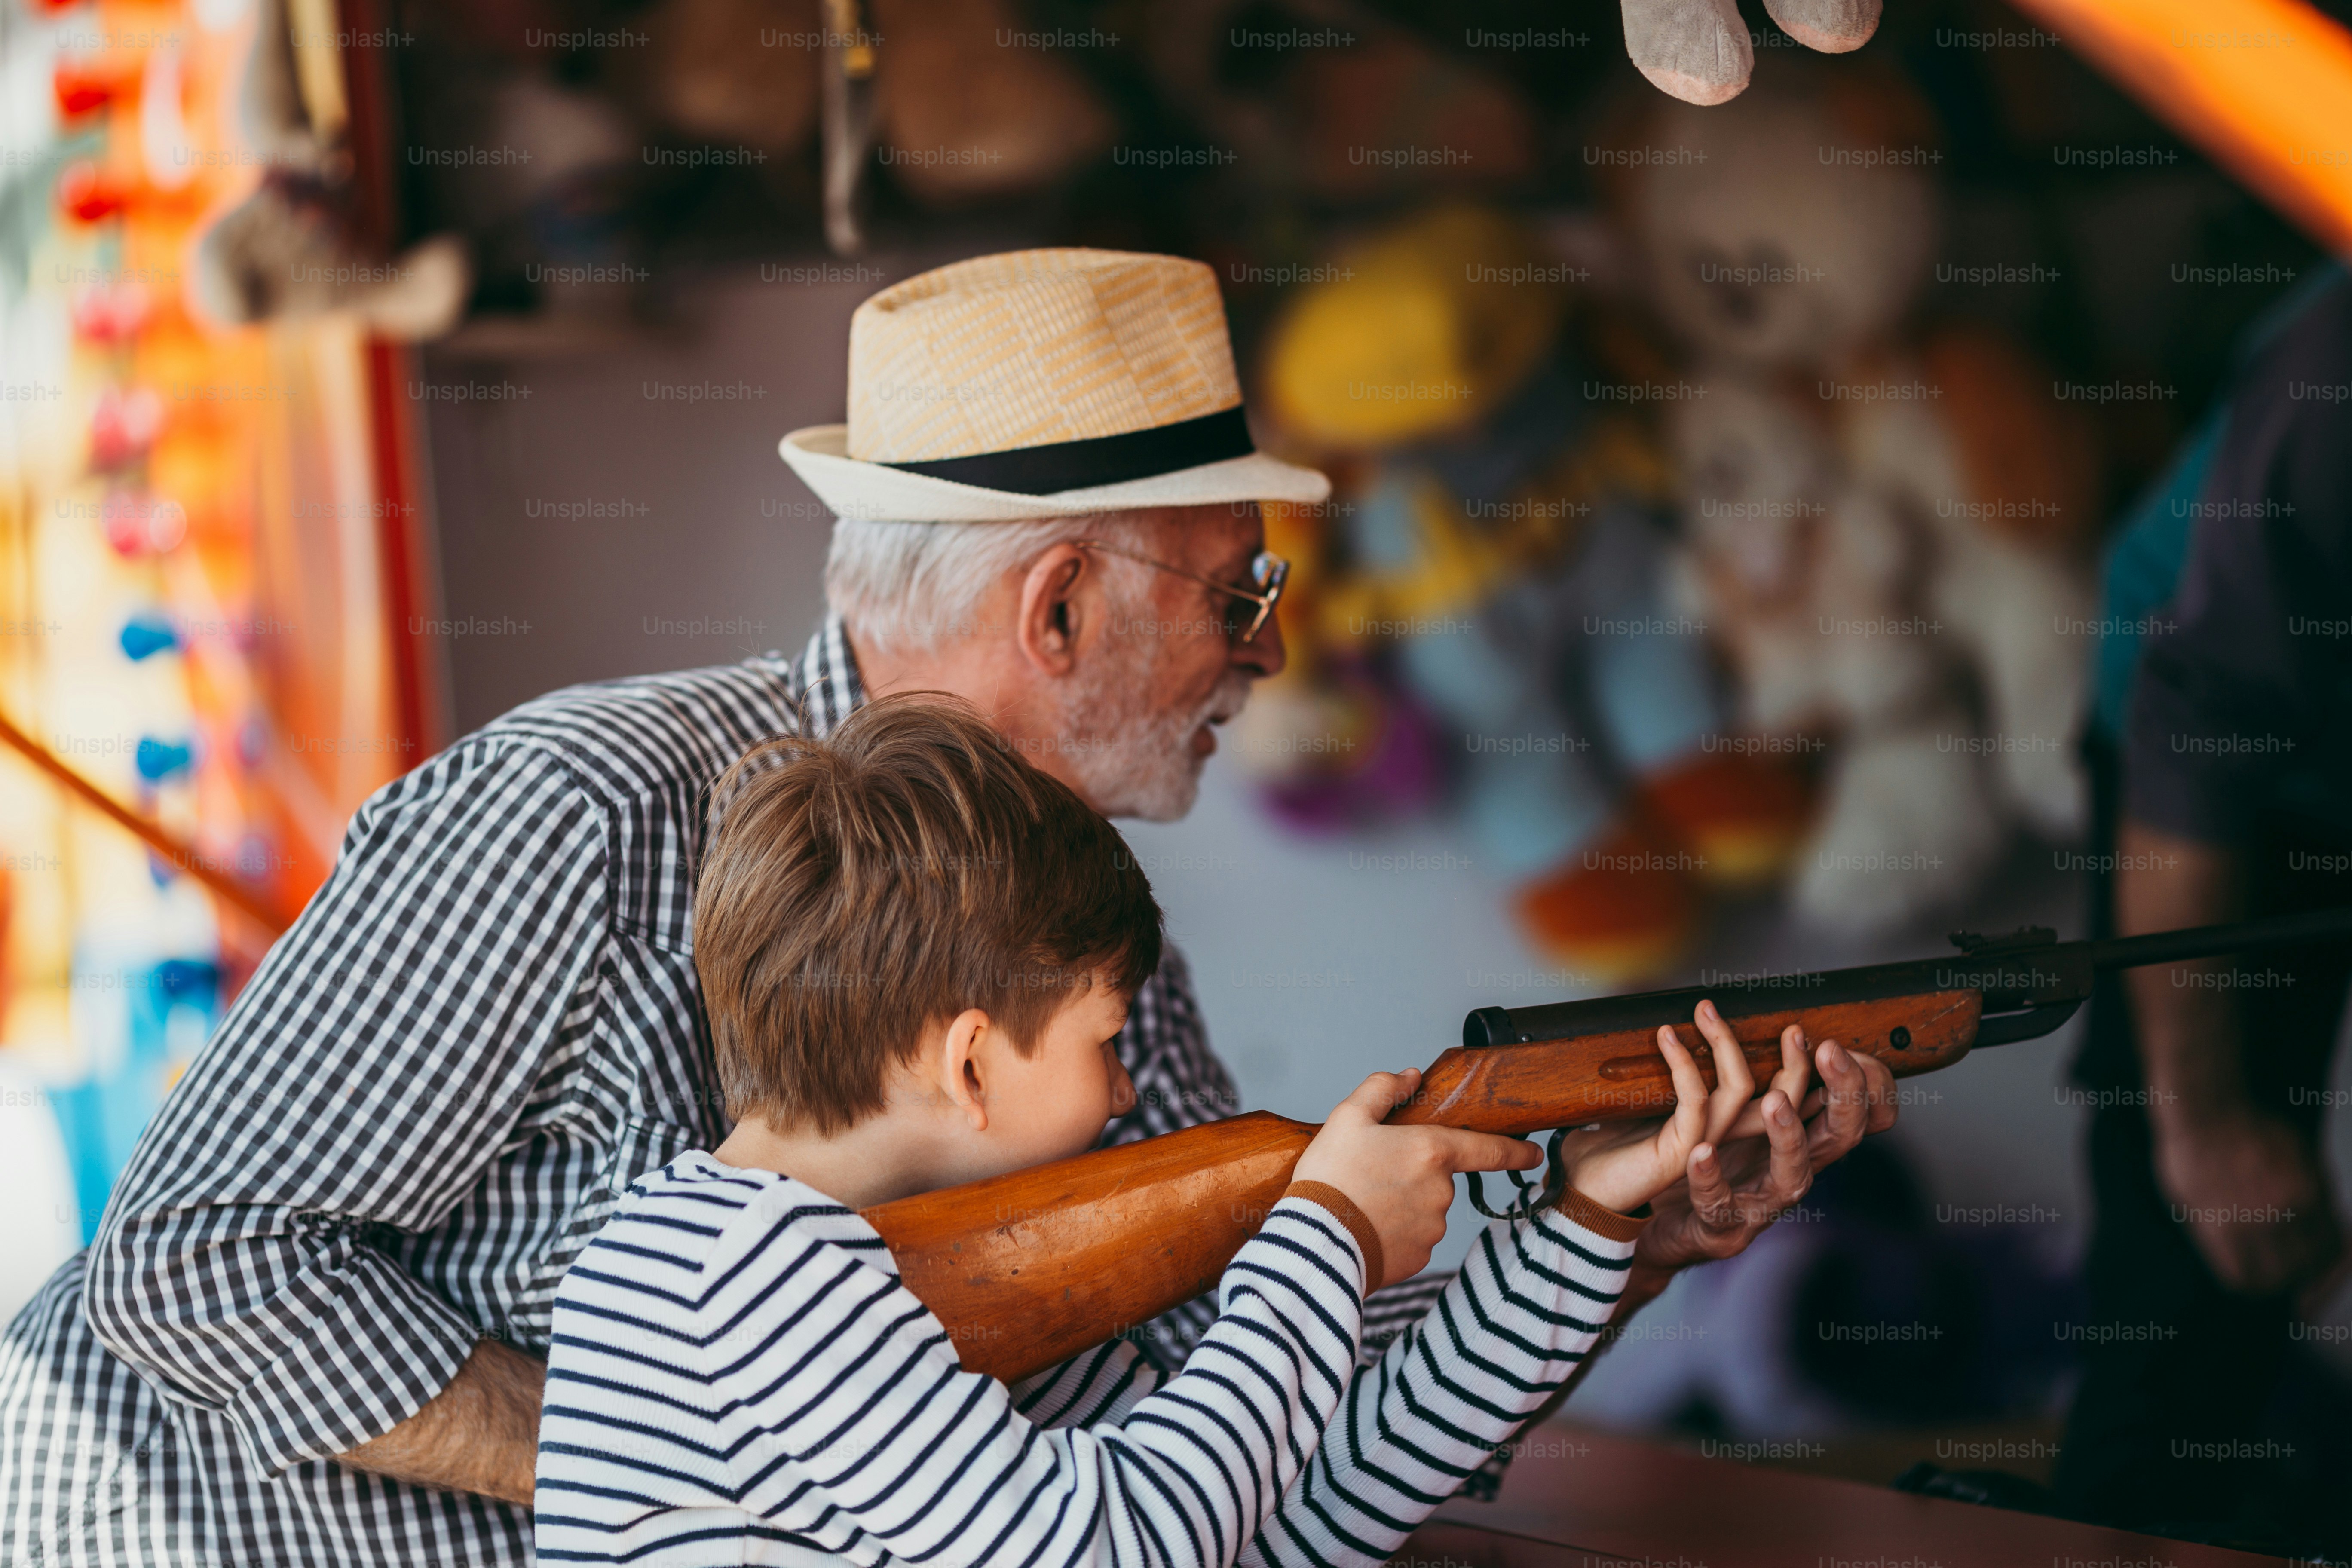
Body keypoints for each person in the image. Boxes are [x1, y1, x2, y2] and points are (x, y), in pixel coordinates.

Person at [0, 248, 1896, 1566]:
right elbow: (195, 1264)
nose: (1271, 648)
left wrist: (1611, 1235)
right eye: (1240, 591)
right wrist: (702, 1462)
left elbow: (1240, 1441)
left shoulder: (1090, 947)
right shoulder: (581, 808)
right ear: (1059, 606)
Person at [536, 692, 1818, 1566]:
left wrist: (1589, 1223)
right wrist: (1323, 1238)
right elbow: (1123, 1548)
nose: (1128, 1096)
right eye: (1105, 1041)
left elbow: (1292, 1520)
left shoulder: (850, 1264)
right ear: (969, 1065)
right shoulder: (750, 1274)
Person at [2057, 263, 2352, 1550]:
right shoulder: (2337, 373)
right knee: (2197, 1270)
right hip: (2239, 774)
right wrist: (2210, 1120)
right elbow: (2202, 732)